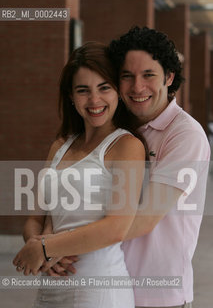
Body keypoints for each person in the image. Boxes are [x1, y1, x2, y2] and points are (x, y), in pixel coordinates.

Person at [13, 41, 146, 308]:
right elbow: (36, 218)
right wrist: (38, 246)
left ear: (118, 92)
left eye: (104, 88)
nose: (94, 100)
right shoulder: (59, 146)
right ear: (71, 97)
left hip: (98, 290)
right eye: (83, 90)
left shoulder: (127, 146)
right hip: (51, 285)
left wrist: (47, 248)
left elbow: (116, 228)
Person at [107, 26, 210, 308]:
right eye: (127, 76)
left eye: (148, 75)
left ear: (169, 76)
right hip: (107, 288)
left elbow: (145, 218)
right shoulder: (113, 128)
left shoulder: (185, 134)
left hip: (158, 298)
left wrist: (64, 246)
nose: (137, 87)